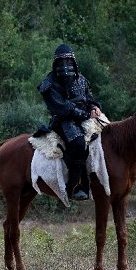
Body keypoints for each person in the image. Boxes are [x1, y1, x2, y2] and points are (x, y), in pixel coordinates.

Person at [37, 43, 101, 201]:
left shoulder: (82, 80)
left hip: (86, 116)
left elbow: (89, 98)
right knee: (79, 143)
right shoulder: (49, 83)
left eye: (68, 61)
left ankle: (103, 181)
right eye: (61, 62)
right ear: (55, 63)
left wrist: (94, 108)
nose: (65, 66)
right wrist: (84, 114)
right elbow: (62, 107)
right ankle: (75, 185)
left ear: (73, 61)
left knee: (107, 137)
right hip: (64, 121)